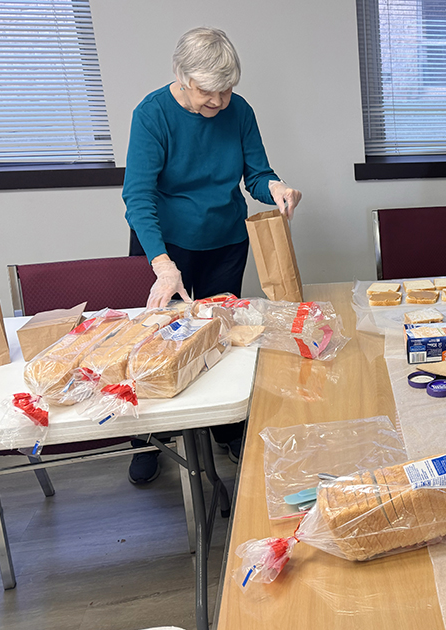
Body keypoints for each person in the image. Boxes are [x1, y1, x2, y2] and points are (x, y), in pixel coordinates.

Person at [122, 27, 302, 483]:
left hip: (224, 238)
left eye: (226, 91)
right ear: (179, 76)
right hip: (166, 246)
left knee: (221, 338)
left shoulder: (238, 111)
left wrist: (275, 187)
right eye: (208, 92)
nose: (219, 103)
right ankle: (149, 436)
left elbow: (256, 174)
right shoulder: (152, 115)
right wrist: (162, 265)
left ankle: (226, 429)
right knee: (159, 340)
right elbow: (138, 196)